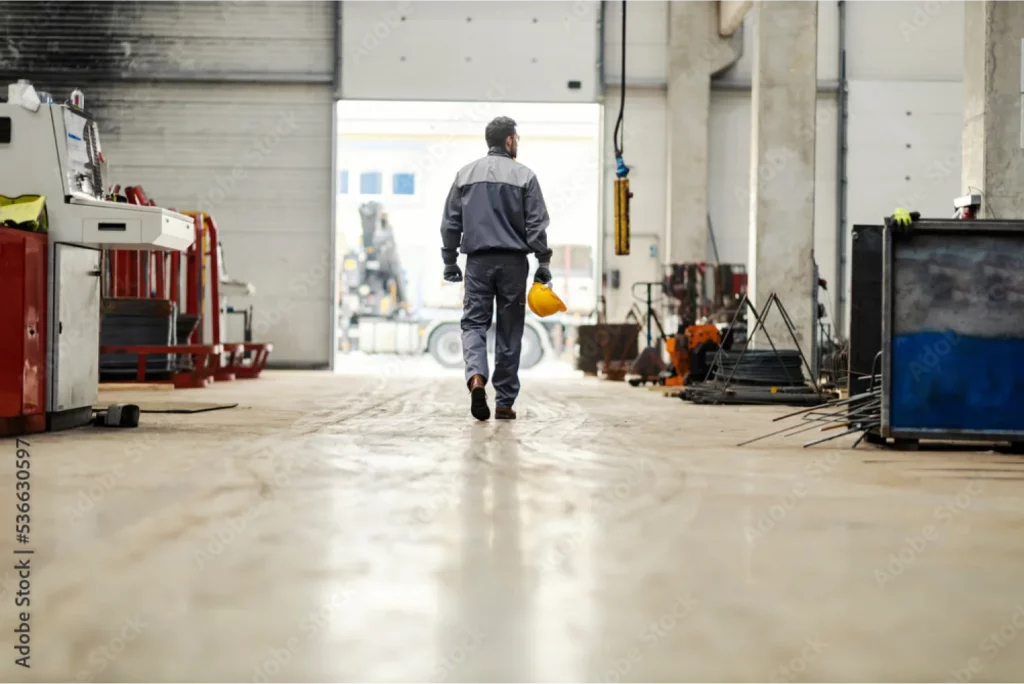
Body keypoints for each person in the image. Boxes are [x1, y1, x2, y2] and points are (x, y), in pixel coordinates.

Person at [439, 116, 553, 421]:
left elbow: (450, 222)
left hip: (478, 262)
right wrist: (543, 262)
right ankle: (504, 402)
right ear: (509, 140)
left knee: (474, 324)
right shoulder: (525, 176)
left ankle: (476, 378)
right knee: (509, 329)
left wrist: (449, 260)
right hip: (514, 264)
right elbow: (536, 225)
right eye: (517, 139)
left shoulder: (465, 175)